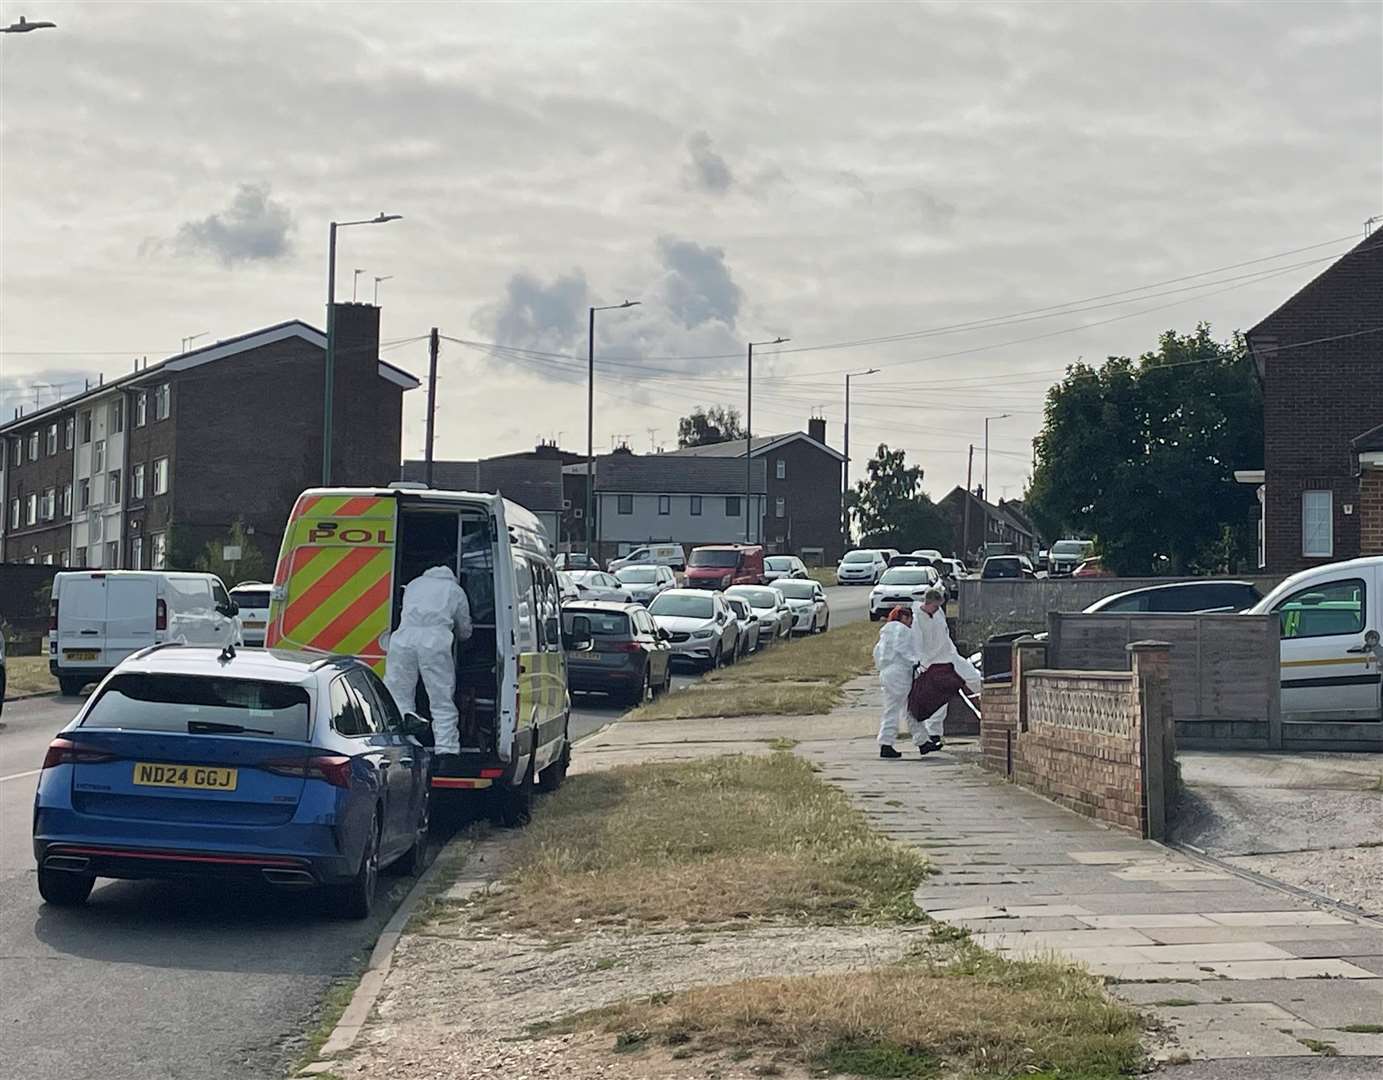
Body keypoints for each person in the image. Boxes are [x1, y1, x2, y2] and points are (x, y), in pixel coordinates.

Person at [385, 565, 473, 770]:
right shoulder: (454, 590)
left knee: (399, 695)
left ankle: (405, 745)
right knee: (441, 698)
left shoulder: (414, 585)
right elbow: (465, 630)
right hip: (435, 641)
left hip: (403, 640)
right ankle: (447, 751)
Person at [909, 586, 980, 755]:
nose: (937, 609)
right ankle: (934, 734)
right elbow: (917, 643)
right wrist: (921, 664)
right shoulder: (916, 618)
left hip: (949, 656)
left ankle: (987, 706)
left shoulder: (938, 612)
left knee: (974, 678)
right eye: (934, 606)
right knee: (938, 697)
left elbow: (945, 634)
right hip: (932, 662)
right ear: (927, 603)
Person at [873, 605, 920, 759]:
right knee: (899, 709)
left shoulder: (886, 632)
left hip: (887, 673)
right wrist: (915, 661)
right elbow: (902, 648)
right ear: (905, 618)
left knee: (902, 708)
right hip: (899, 674)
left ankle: (922, 740)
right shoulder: (902, 630)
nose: (912, 622)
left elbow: (877, 653)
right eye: (910, 618)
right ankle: (886, 743)